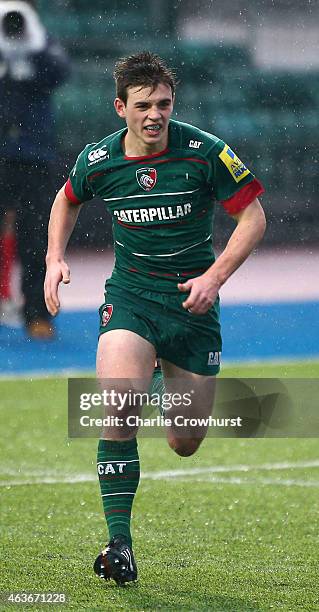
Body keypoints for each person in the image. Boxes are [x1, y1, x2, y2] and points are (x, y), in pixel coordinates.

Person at [44, 51, 266, 585]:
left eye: (163, 104)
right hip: (133, 299)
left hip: (193, 305)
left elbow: (253, 216)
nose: (154, 115)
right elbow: (66, 200)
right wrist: (54, 258)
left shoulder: (204, 152)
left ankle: (165, 371)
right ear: (120, 106)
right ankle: (118, 543)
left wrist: (215, 278)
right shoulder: (99, 159)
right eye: (142, 105)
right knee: (117, 406)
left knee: (185, 442)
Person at [0, 0, 70, 338]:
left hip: (33, 155)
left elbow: (59, 73)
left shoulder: (43, 42)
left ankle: (36, 313)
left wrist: (34, 43)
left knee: (34, 237)